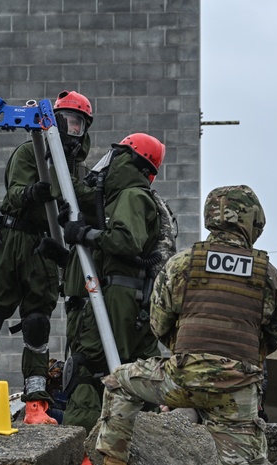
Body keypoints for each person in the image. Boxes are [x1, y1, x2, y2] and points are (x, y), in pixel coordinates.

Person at [72, 185, 277, 465]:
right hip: (240, 388)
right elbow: (275, 334)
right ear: (252, 222)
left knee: (120, 380)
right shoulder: (268, 275)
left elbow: (159, 320)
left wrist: (185, 352)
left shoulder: (183, 263)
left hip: (183, 375)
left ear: (211, 217)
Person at [0, 91, 94, 424]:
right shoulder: (29, 153)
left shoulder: (76, 167)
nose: (75, 131)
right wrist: (35, 191)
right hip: (11, 241)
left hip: (42, 246)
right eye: (71, 123)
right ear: (59, 121)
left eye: (81, 125)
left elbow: (81, 200)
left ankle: (36, 405)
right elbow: (15, 192)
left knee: (37, 323)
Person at [60, 133, 167, 432]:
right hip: (127, 298)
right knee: (130, 374)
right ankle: (143, 441)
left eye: (117, 156)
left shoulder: (132, 195)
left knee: (88, 367)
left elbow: (125, 241)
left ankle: (80, 447)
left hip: (118, 298)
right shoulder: (122, 197)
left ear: (130, 160)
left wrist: (85, 234)